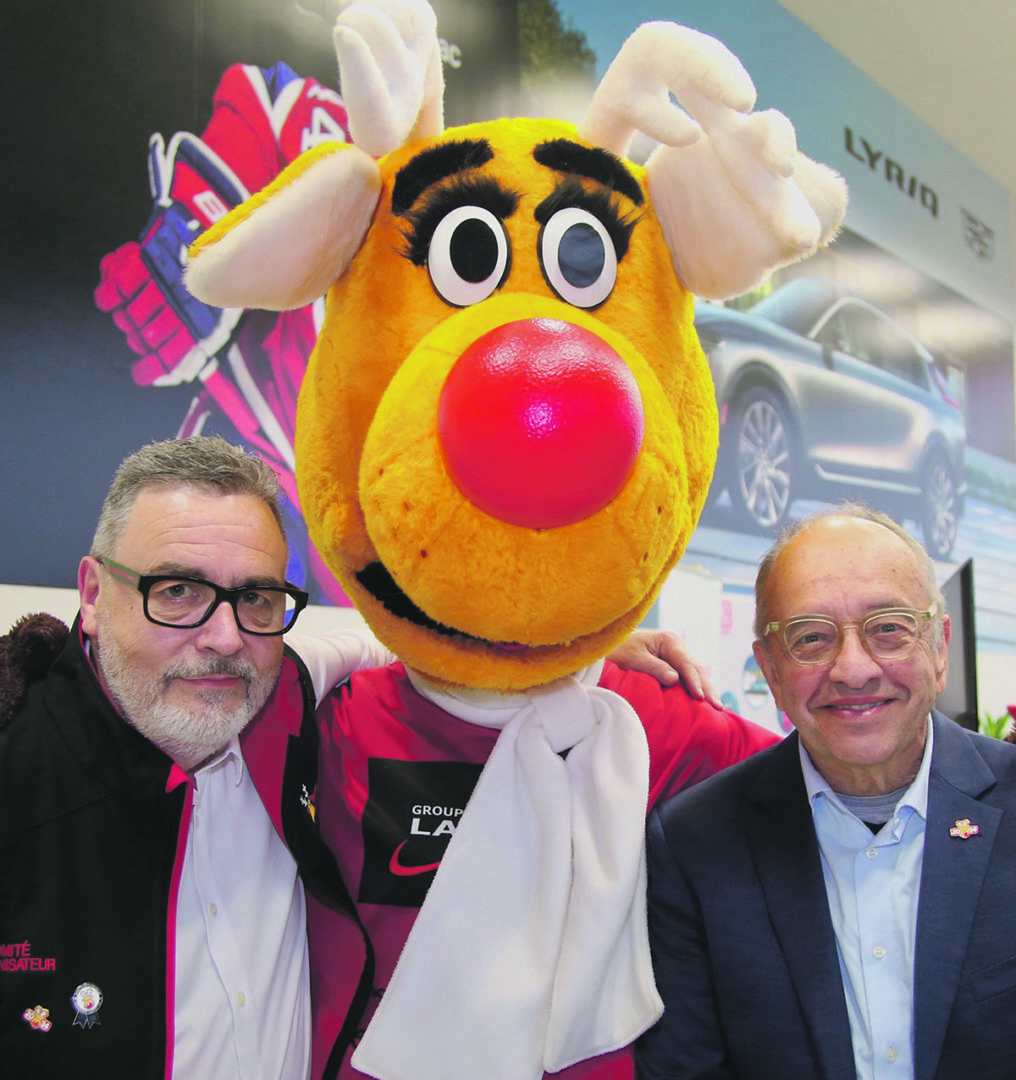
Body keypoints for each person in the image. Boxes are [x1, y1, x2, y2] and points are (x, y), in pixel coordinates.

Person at [0, 434, 718, 1077]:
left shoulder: (279, 689)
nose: (222, 637)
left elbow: (403, 644)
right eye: (178, 591)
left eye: (255, 598)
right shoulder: (22, 776)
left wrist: (563, 644)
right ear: (93, 594)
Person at [637, 503, 1016, 1080]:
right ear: (769, 670)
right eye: (810, 638)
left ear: (939, 648)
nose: (854, 669)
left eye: (888, 627)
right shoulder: (693, 845)